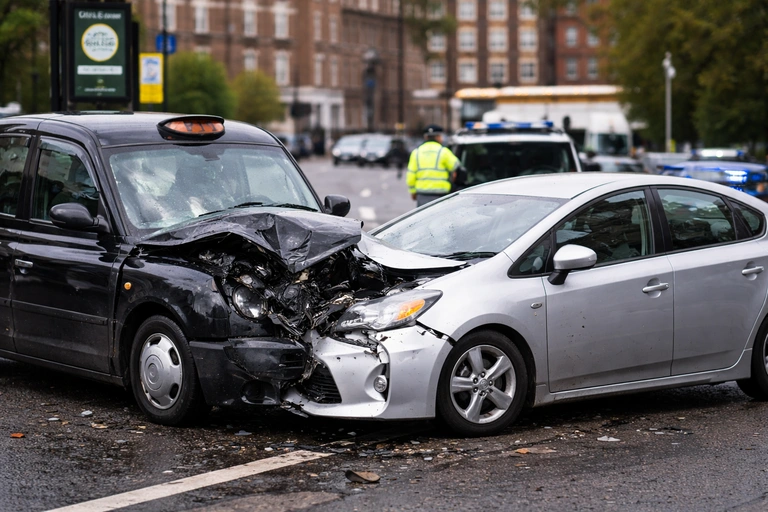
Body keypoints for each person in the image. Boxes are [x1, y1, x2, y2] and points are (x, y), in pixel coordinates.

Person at [406, 125, 461, 207]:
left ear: (425, 137)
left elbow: (410, 176)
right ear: (438, 137)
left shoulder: (416, 153)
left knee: (424, 218)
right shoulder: (444, 152)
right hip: (441, 195)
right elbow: (457, 167)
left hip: (422, 194)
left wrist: (413, 191)